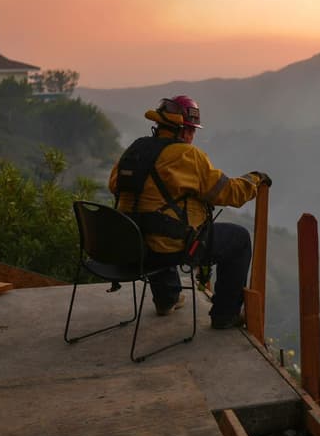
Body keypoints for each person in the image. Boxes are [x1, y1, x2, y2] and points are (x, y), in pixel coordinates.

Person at [108, 95, 270, 329]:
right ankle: (225, 314)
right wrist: (255, 179)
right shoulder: (187, 156)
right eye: (192, 131)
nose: (192, 137)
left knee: (155, 225)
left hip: (131, 245)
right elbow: (229, 193)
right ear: (182, 130)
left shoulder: (133, 150)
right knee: (239, 239)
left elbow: (114, 185)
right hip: (167, 248)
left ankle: (167, 298)